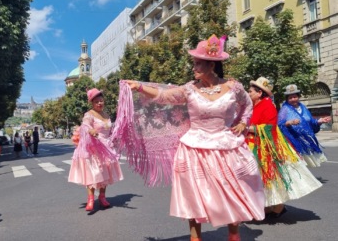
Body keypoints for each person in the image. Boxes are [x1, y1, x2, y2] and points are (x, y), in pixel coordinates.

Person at [116, 35, 265, 241]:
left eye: (197, 64)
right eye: (193, 63)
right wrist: (139, 87)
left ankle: (234, 235)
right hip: (194, 149)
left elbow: (247, 104)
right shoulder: (189, 89)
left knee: (232, 191)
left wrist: (243, 123)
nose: (193, 68)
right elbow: (164, 96)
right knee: (194, 194)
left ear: (211, 65)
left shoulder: (234, 87)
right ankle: (195, 238)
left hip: (227, 146)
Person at [246, 77, 322, 218]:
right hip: (256, 145)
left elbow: (269, 127)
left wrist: (247, 128)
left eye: (250, 91)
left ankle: (278, 207)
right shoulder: (254, 105)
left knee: (275, 178)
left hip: (269, 147)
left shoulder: (267, 105)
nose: (248, 93)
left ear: (259, 93)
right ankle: (268, 206)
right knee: (263, 178)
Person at [68, 88, 124, 211]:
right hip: (93, 148)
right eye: (97, 101)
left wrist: (115, 137)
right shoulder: (89, 114)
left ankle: (103, 198)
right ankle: (91, 200)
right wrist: (90, 130)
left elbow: (110, 130)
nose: (99, 103)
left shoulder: (106, 115)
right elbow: (85, 124)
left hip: (106, 147)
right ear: (92, 103)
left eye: (101, 100)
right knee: (92, 174)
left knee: (105, 173)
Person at [278, 84, 331, 167]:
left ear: (298, 97)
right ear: (287, 99)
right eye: (290, 98)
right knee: (296, 165)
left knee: (303, 165)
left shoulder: (303, 107)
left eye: (295, 97)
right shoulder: (284, 109)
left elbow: (310, 121)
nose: (293, 99)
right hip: (292, 141)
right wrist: (290, 122)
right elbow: (279, 124)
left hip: (305, 141)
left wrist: (320, 121)